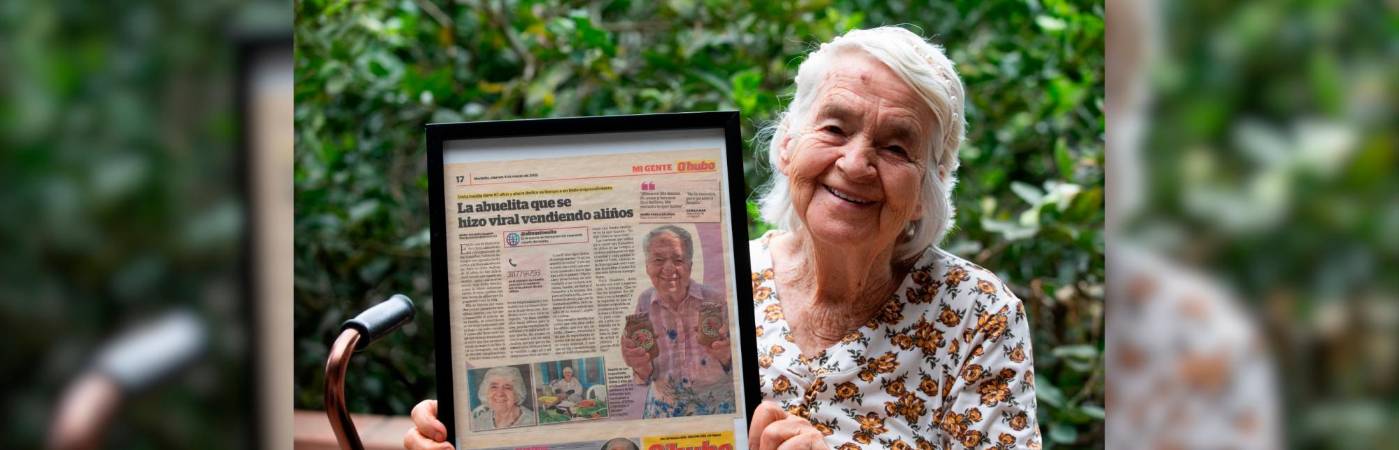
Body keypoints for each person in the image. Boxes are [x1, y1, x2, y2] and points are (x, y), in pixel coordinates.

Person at [407, 26, 1039, 450]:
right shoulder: (719, 288)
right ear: (788, 143)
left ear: (934, 181)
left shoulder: (976, 316)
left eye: (896, 146)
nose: (855, 162)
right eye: (835, 128)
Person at [620, 225, 734, 418]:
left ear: (690, 266)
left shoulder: (716, 300)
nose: (669, 268)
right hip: (663, 410)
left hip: (716, 407)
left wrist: (728, 356)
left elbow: (736, 367)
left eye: (678, 259)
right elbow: (645, 375)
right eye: (658, 260)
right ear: (647, 266)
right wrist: (640, 367)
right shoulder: (644, 302)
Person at [469, 366, 536, 431]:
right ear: (486, 391)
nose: (500, 393)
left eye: (507, 387)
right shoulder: (478, 423)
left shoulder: (533, 420)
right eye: (494, 387)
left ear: (517, 394)